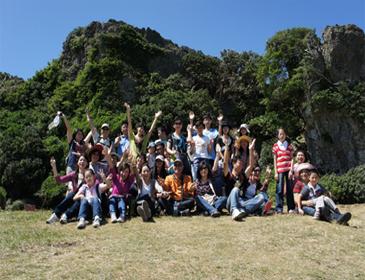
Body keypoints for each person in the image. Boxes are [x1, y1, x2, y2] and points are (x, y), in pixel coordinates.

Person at [46, 156, 88, 224]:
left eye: (84, 160)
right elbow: (59, 180)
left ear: (87, 163)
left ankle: (65, 216)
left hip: (83, 200)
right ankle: (55, 215)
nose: (82, 162)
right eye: (80, 160)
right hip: (73, 198)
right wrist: (54, 167)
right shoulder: (73, 174)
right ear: (77, 162)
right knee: (71, 194)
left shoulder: (89, 174)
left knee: (80, 198)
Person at [223, 137, 256, 220]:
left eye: (242, 164)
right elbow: (225, 163)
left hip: (242, 201)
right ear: (233, 163)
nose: (241, 165)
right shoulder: (229, 175)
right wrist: (227, 147)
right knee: (235, 189)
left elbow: (251, 165)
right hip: (230, 202)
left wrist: (251, 150)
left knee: (261, 197)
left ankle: (242, 210)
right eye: (239, 163)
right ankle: (234, 210)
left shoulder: (243, 175)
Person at [104, 147, 136, 223]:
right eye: (122, 171)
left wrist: (130, 159)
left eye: (126, 172)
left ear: (128, 173)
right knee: (112, 202)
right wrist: (107, 156)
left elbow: (132, 171)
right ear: (119, 171)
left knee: (121, 203)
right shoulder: (116, 177)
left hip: (122, 198)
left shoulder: (129, 180)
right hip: (113, 196)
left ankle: (122, 216)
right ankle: (113, 215)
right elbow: (111, 166)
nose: (123, 173)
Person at [272, 128, 295, 214]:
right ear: (277, 135)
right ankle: (279, 208)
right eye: (280, 134)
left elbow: (292, 158)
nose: (282, 135)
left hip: (288, 170)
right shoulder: (275, 146)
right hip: (279, 170)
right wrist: (275, 172)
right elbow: (275, 159)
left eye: (283, 134)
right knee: (279, 189)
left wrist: (291, 170)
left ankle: (291, 208)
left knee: (289, 189)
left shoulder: (289, 145)